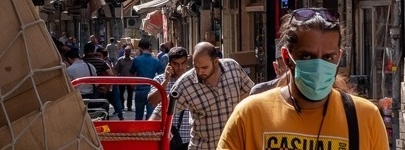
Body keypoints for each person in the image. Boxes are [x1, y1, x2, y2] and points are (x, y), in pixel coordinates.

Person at [217, 8, 388, 150]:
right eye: (307, 56)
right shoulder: (250, 114)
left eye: (328, 58)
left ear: (339, 57)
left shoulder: (365, 117)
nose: (319, 66)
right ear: (286, 56)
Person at [154, 42, 253, 150]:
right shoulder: (186, 83)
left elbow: (249, 96)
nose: (200, 71)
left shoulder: (233, 68)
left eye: (204, 67)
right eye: (196, 66)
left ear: (215, 61)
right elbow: (161, 112)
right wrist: (141, 134)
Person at [151, 46, 194, 150]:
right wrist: (166, 80)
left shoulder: (193, 80)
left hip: (189, 137)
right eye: (176, 64)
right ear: (169, 64)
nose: (180, 67)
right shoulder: (159, 79)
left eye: (183, 63)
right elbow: (152, 101)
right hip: (168, 137)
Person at [132, 38, 163, 119]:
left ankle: (137, 130)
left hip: (140, 90)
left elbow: (132, 71)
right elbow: (161, 74)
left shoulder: (136, 60)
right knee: (150, 115)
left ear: (140, 48)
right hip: (152, 90)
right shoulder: (156, 61)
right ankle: (149, 131)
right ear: (149, 47)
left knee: (138, 115)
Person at [115, 47, 136, 111]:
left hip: (130, 79)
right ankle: (122, 106)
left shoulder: (133, 60)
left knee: (130, 94)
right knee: (121, 93)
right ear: (124, 51)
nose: (127, 52)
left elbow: (135, 70)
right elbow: (116, 69)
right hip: (122, 79)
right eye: (126, 51)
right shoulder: (120, 60)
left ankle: (129, 106)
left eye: (129, 51)